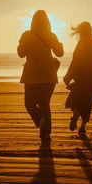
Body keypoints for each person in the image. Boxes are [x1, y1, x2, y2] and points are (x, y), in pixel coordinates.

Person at [17, 10, 64, 141]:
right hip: (49, 76)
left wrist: (21, 43)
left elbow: (21, 53)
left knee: (29, 104)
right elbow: (60, 53)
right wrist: (58, 44)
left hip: (32, 76)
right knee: (44, 104)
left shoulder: (27, 35)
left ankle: (39, 121)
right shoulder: (51, 36)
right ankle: (46, 133)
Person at [63, 22, 92, 138]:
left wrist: (68, 77)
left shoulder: (81, 44)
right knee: (88, 103)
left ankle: (76, 113)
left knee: (75, 100)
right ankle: (82, 127)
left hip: (82, 79)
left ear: (81, 32)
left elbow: (75, 62)